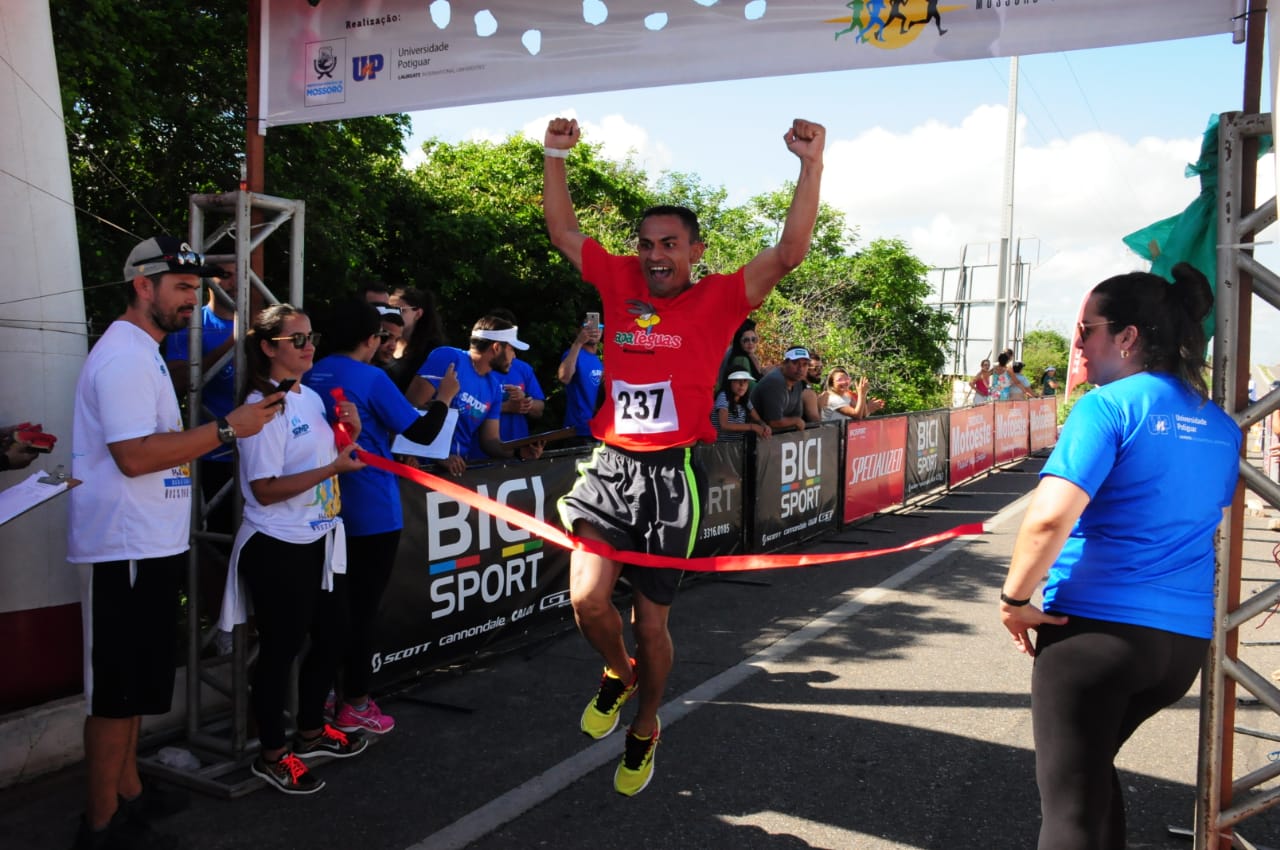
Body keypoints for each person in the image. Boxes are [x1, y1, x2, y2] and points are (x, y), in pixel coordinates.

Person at [543, 114, 825, 795]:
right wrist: (554, 154)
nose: (654, 255)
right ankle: (617, 673)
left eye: (669, 244)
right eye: (646, 245)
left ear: (696, 250)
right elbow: (562, 231)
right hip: (611, 468)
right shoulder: (617, 283)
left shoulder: (721, 297)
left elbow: (789, 251)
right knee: (588, 601)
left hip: (671, 480)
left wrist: (810, 165)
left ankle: (645, 723)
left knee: (653, 624)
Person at [998, 263, 1240, 850]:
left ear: (1128, 337)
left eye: (1087, 330)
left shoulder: (1107, 407)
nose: (1079, 343)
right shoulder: (1221, 425)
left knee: (1069, 809)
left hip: (1094, 635)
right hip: (1179, 647)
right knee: (1092, 779)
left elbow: (1051, 517)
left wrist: (1014, 599)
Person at [67, 235, 279, 849]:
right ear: (143, 285)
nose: (195, 298)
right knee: (116, 694)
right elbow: (133, 457)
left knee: (133, 686)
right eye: (182, 288)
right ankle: (100, 823)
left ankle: (128, 791)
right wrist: (224, 429)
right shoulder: (127, 356)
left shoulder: (144, 350)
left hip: (145, 544)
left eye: (197, 287)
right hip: (124, 547)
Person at [224, 304, 369, 795]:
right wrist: (334, 470)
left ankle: (309, 731)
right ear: (268, 348)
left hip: (322, 537)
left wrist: (352, 433)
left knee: (334, 636)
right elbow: (263, 489)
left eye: (311, 337)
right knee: (281, 650)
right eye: (297, 340)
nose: (309, 348)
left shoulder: (306, 396)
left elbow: (327, 457)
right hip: (278, 543)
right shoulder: (263, 407)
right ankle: (271, 754)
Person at [304, 300, 461, 737]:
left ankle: (326, 696)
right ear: (370, 340)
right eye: (381, 338)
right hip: (371, 509)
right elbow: (422, 432)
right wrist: (444, 399)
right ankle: (355, 700)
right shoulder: (369, 377)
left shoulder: (308, 373)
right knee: (362, 612)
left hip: (317, 508)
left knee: (330, 611)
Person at [406, 315, 546, 474]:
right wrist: (438, 456)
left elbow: (490, 441)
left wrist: (519, 452)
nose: (514, 356)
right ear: (496, 348)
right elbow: (409, 409)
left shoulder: (493, 387)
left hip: (456, 474)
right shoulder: (449, 358)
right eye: (511, 349)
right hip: (420, 471)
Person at [488, 307, 547, 442]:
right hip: (479, 453)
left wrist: (525, 400)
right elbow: (466, 410)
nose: (513, 354)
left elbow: (539, 410)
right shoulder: (477, 368)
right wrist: (506, 407)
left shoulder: (523, 368)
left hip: (517, 449)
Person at [386, 286, 446, 393]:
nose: (392, 314)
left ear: (418, 314)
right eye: (388, 309)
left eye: (399, 310)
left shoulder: (431, 350)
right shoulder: (380, 339)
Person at [557, 314, 604, 446]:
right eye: (588, 327)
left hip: (598, 431)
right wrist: (578, 343)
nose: (594, 330)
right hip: (577, 432)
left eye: (598, 326)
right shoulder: (573, 354)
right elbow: (564, 377)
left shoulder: (599, 361)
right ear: (578, 331)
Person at [749, 346, 813, 432]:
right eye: (795, 363)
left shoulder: (798, 382)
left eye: (805, 364)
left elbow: (796, 415)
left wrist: (796, 420)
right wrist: (796, 421)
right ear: (784, 363)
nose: (800, 368)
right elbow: (774, 422)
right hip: (753, 438)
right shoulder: (775, 381)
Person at [712, 370, 771, 440]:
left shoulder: (745, 399)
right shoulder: (723, 396)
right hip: (720, 447)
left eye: (745, 381)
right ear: (729, 382)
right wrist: (753, 427)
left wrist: (764, 425)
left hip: (738, 446)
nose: (742, 384)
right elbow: (724, 425)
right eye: (737, 380)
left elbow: (758, 420)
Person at [715, 319, 763, 393]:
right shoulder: (741, 360)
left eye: (754, 339)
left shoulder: (743, 354)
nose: (751, 343)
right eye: (746, 340)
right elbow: (751, 388)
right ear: (739, 341)